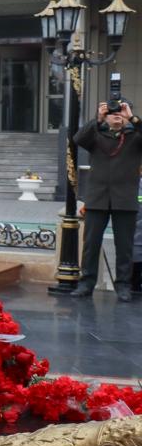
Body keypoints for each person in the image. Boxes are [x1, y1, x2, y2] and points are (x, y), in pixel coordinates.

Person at [71, 99, 142, 301]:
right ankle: (86, 284)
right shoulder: (96, 135)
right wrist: (97, 119)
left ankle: (123, 286)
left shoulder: (135, 137)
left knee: (125, 246)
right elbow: (78, 139)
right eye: (112, 112)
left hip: (125, 200)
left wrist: (133, 119)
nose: (116, 114)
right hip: (97, 198)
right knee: (91, 244)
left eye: (120, 111)